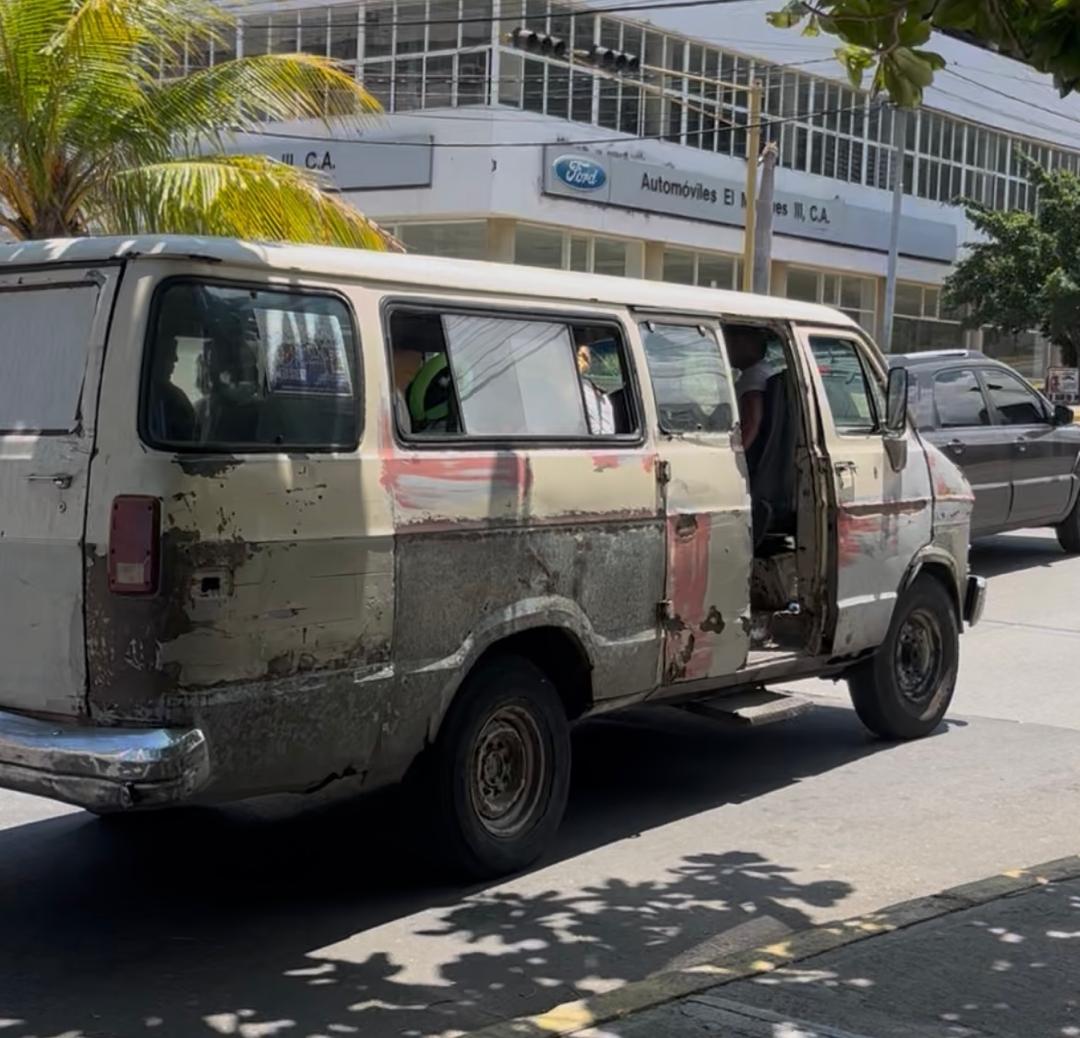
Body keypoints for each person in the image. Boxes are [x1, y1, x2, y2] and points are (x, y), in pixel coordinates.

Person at [726, 325, 771, 453]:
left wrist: (737, 454)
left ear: (744, 343)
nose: (727, 349)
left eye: (730, 342)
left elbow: (752, 423)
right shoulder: (763, 370)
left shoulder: (754, 377)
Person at [577, 343, 616, 435]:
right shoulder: (581, 388)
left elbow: (603, 432)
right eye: (580, 356)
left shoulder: (589, 388)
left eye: (585, 358)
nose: (581, 361)